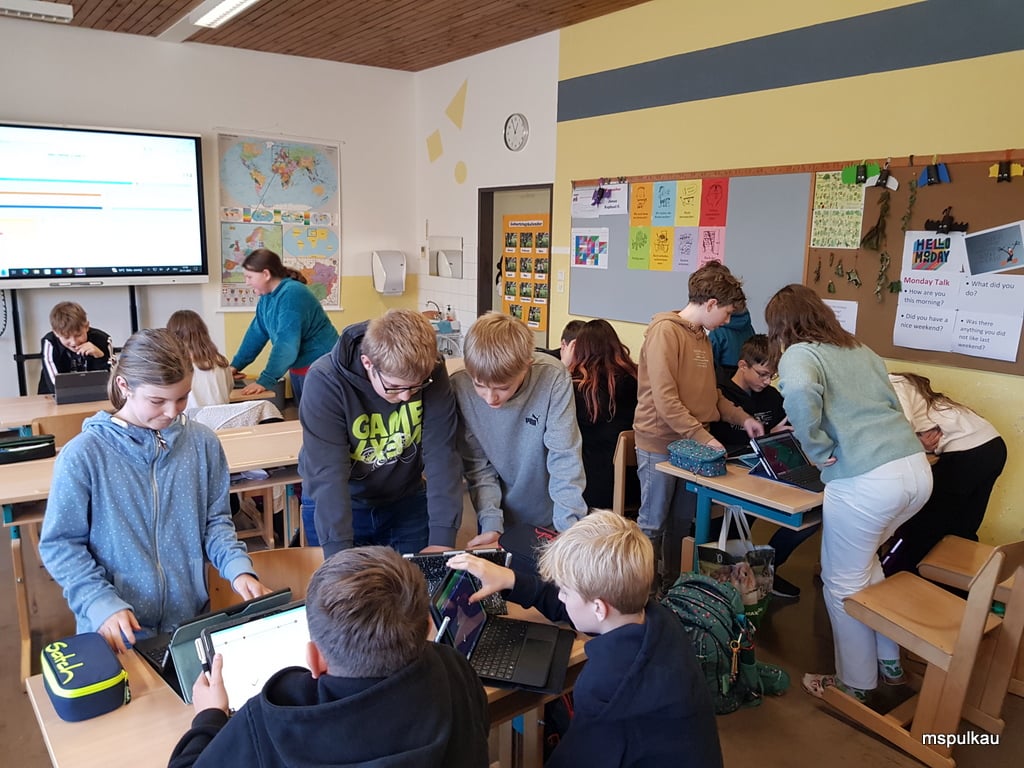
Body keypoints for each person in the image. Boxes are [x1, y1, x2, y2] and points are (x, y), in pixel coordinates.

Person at [39, 328, 268, 653]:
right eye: (157, 401)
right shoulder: (85, 454)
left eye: (182, 397)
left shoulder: (203, 443)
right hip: (115, 631)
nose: (172, 412)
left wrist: (237, 569)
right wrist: (99, 601)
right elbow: (61, 545)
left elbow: (216, 523)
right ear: (124, 386)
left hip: (187, 623)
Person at [168, 546, 490, 768]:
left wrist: (209, 716)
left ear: (315, 659)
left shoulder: (269, 722)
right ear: (429, 626)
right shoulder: (454, 670)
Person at [447, 511, 722, 768]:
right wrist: (511, 579)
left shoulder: (606, 686)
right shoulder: (658, 619)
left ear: (599, 608)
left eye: (565, 591)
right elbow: (580, 608)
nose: (560, 596)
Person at [764, 284, 932, 702]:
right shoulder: (860, 350)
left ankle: (855, 683)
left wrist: (818, 451)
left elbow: (799, 394)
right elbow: (894, 405)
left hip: (867, 482)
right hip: (914, 471)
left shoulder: (800, 353)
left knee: (840, 583)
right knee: (866, 565)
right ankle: (889, 662)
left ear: (782, 326)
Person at [633, 261, 764, 590]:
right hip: (660, 442)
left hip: (691, 447)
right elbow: (665, 399)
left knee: (681, 524)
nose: (728, 321)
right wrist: (703, 437)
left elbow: (711, 395)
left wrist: (743, 418)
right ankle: (641, 593)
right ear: (710, 304)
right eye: (727, 313)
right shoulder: (665, 332)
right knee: (652, 523)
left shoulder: (702, 338)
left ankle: (672, 588)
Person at [298, 309, 464, 557]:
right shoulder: (325, 380)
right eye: (394, 387)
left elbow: (442, 452)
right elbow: (328, 474)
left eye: (415, 387)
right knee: (345, 580)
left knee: (415, 581)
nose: (406, 396)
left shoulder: (431, 370)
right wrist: (338, 554)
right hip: (339, 504)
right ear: (368, 363)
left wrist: (443, 536)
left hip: (405, 501)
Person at [451, 312, 587, 545]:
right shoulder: (460, 386)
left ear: (527, 366)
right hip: (497, 517)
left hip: (552, 513)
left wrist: (568, 531)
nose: (490, 398)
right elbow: (478, 467)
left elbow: (564, 459)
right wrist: (492, 523)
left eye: (503, 387)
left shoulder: (552, 377)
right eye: (480, 385)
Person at [709, 334, 818, 599]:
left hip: (765, 473)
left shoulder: (770, 396)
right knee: (732, 526)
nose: (767, 381)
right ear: (742, 365)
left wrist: (779, 434)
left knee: (812, 517)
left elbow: (782, 431)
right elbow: (722, 441)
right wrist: (768, 433)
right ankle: (735, 577)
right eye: (762, 374)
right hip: (731, 476)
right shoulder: (721, 394)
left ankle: (764, 569)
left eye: (772, 376)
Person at [882, 371, 1006, 575]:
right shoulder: (903, 382)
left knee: (921, 523)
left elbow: (900, 429)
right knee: (962, 526)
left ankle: (895, 575)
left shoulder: (892, 383)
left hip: (969, 453)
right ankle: (959, 581)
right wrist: (919, 443)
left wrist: (917, 444)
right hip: (992, 447)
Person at [230, 248, 338, 405]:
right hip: (301, 367)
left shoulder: (292, 294)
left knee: (319, 416)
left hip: (321, 367)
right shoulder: (267, 297)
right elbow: (256, 333)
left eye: (249, 277)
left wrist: (265, 380)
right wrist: (235, 366)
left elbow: (286, 344)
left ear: (266, 274)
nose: (247, 282)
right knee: (305, 415)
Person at [568, 318, 638, 510]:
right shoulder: (635, 380)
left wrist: (564, 366)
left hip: (591, 488)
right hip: (634, 485)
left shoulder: (577, 389)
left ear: (579, 350)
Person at [38, 300, 113, 395]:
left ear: (86, 327)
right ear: (56, 333)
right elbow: (55, 386)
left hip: (95, 397)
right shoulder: (50, 343)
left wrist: (100, 357)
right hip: (53, 399)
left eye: (78, 335)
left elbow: (113, 383)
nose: (74, 342)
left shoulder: (103, 339)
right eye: (66, 337)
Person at [167, 309, 234, 408]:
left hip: (191, 417)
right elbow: (229, 388)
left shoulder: (176, 366)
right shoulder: (220, 361)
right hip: (222, 416)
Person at [708, 298, 755, 376]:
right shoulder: (749, 327)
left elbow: (709, 365)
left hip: (723, 379)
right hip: (748, 377)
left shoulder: (717, 330)